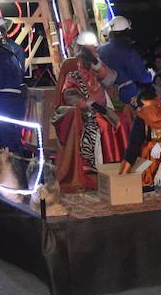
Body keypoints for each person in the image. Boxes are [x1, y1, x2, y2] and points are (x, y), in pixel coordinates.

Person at [51, 32, 128, 193]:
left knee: (122, 121)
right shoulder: (72, 69)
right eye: (90, 51)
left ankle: (123, 167)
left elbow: (110, 79)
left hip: (104, 108)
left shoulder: (95, 67)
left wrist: (97, 64)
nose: (94, 53)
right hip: (87, 112)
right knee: (104, 126)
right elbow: (68, 93)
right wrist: (87, 103)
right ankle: (105, 167)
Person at [97, 15, 152, 103]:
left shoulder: (100, 49)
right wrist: (150, 75)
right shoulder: (129, 51)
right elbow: (143, 77)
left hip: (106, 95)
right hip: (126, 95)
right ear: (126, 32)